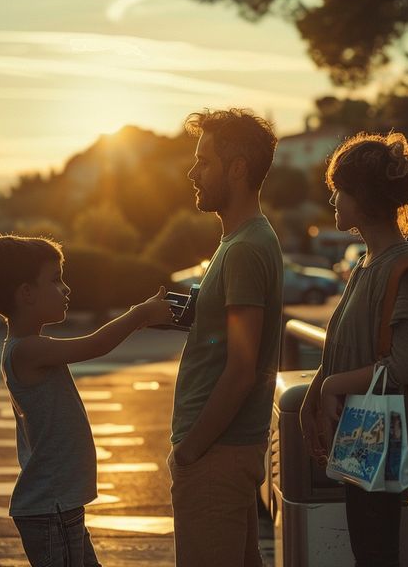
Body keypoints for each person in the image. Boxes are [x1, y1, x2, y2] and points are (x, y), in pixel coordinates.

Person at [0, 234, 174, 567]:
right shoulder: (28, 350)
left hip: (58, 505)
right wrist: (139, 314)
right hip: (51, 507)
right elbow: (95, 345)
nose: (66, 289)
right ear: (27, 294)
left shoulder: (28, 347)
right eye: (55, 280)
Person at [299, 131, 408, 567]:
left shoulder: (404, 268)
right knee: (366, 547)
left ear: (364, 198)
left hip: (379, 429)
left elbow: (401, 368)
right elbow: (345, 343)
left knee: (375, 552)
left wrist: (333, 384)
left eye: (340, 191)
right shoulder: (366, 262)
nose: (334, 200)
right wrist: (315, 394)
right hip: (360, 428)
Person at [169, 108, 283, 567]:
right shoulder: (245, 240)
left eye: (204, 161)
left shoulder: (244, 249)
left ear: (237, 169)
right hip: (228, 452)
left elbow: (241, 368)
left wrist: (190, 450)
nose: (192, 172)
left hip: (216, 455)